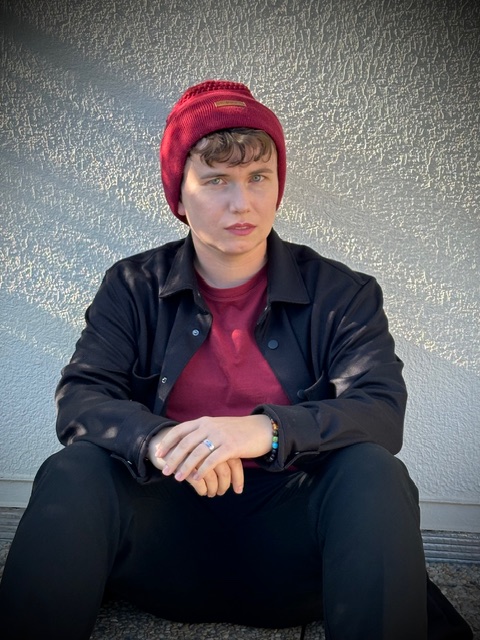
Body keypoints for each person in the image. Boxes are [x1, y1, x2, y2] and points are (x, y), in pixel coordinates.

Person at [0, 80, 473, 640]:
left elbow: (380, 410)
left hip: (298, 558)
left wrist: (263, 432)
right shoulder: (132, 286)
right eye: (216, 180)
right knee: (74, 469)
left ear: (278, 187)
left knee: (375, 472)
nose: (241, 202)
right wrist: (161, 441)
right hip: (163, 543)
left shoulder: (342, 293)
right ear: (179, 196)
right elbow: (82, 399)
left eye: (258, 178)